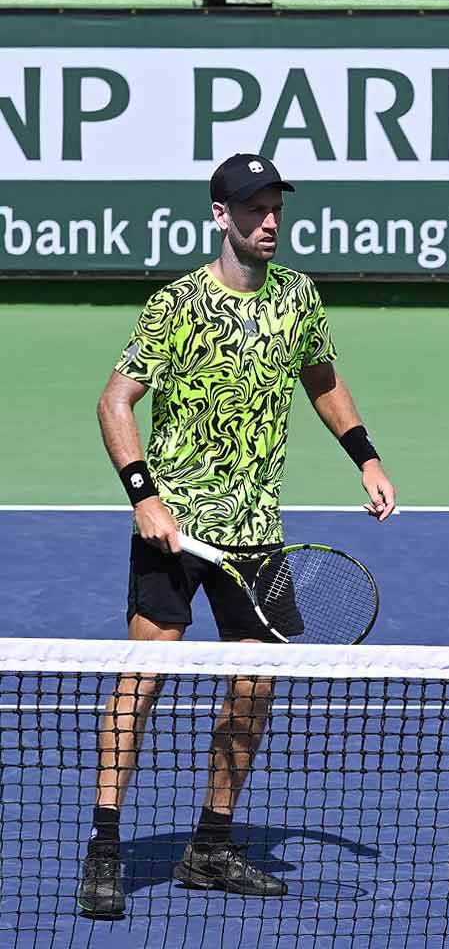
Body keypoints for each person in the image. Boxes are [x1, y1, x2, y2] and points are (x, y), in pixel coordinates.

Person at [78, 153, 398, 919]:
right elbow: (114, 403)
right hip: (175, 531)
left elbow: (320, 378)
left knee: (253, 689)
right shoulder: (176, 304)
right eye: (253, 208)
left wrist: (367, 456)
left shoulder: (298, 297)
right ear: (221, 215)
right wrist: (145, 498)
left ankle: (211, 846)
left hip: (256, 534)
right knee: (144, 677)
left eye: (276, 206)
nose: (269, 220)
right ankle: (104, 847)